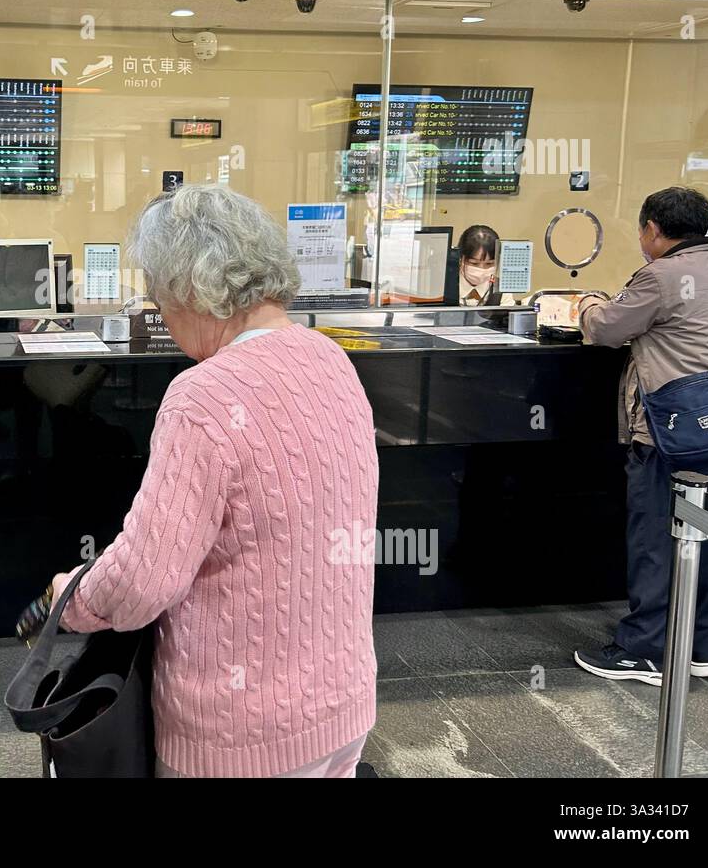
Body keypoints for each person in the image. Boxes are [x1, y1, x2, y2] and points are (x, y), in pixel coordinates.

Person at [49, 184, 379, 777]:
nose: (159, 312)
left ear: (187, 287)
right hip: (343, 707)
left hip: (242, 736)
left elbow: (145, 578)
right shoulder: (331, 360)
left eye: (157, 294)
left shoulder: (203, 397)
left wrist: (71, 597)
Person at [575, 186, 708, 684]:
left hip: (668, 433)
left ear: (652, 229)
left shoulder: (660, 276)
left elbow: (604, 328)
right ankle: (699, 647)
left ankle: (642, 650)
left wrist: (586, 301)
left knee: (654, 538)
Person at [456, 224, 517, 306]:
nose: (482, 269)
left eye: (489, 264)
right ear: (460, 259)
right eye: (474, 263)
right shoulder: (444, 287)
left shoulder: (501, 290)